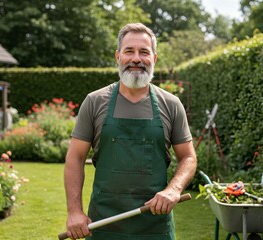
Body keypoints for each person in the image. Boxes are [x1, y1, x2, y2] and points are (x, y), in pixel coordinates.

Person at [64, 22, 197, 240]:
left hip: (155, 227)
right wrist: (74, 212)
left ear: (153, 58)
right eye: (129, 51)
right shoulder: (95, 101)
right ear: (118, 56)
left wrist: (174, 189)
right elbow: (75, 158)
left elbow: (189, 157)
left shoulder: (171, 104)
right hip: (104, 224)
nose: (136, 58)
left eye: (144, 52)